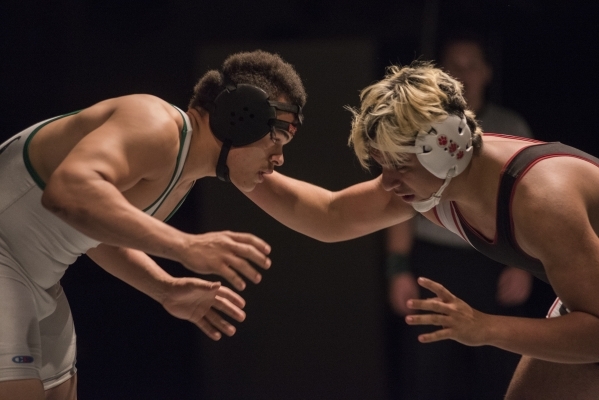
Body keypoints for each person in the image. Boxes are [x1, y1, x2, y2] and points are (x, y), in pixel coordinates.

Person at [243, 61, 599, 399]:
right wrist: (238, 166)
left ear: (447, 147)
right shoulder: (435, 186)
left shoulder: (541, 200)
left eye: (399, 165)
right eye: (383, 165)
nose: (387, 183)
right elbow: (330, 215)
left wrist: (485, 327)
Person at [0, 50, 306, 400]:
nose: (279, 159)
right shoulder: (153, 123)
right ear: (241, 116)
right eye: (276, 139)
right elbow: (69, 191)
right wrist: (184, 246)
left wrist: (165, 288)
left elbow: (98, 234)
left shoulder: (181, 179)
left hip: (34, 279)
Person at [383, 35, 536, 399]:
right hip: (435, 260)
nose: (463, 75)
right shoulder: (420, 129)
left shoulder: (509, 125)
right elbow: (400, 199)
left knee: (499, 368)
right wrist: (397, 267)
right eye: (454, 66)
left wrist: (525, 265)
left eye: (471, 65)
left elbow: (528, 205)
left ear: (486, 72)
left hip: (493, 259)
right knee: (429, 369)